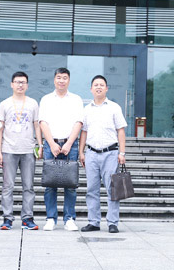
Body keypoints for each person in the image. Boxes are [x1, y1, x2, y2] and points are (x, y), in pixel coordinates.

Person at [78, 75, 127, 233]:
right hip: (91, 153)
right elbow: (84, 132)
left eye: (101, 85)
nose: (98, 87)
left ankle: (112, 222)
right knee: (91, 190)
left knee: (112, 189)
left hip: (110, 153)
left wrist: (122, 152)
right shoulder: (86, 110)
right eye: (96, 85)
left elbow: (120, 130)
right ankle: (93, 222)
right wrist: (81, 152)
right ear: (91, 89)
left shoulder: (114, 107)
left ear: (106, 88)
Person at [38, 67, 84, 231]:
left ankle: (69, 218)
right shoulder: (46, 99)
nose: (61, 80)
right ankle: (51, 218)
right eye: (59, 77)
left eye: (65, 78)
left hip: (70, 145)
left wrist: (69, 143)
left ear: (69, 80)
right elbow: (42, 122)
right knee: (50, 184)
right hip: (51, 145)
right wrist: (51, 143)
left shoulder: (76, 99)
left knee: (70, 184)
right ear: (54, 80)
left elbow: (79, 122)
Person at [0, 71, 41, 231]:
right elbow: (0, 129)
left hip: (28, 150)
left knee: (29, 186)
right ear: (11, 84)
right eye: (17, 82)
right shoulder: (4, 104)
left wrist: (40, 145)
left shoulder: (33, 103)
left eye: (23, 82)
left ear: (27, 85)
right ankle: (7, 218)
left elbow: (37, 125)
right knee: (8, 186)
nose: (20, 85)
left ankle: (27, 218)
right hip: (9, 149)